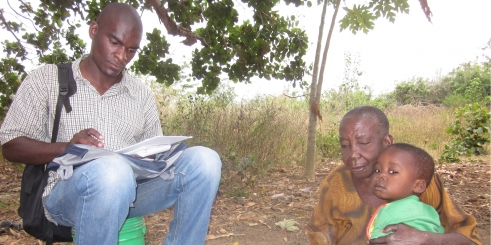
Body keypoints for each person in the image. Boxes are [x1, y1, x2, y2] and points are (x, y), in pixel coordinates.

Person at [0, 3, 221, 245]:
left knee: (205, 162)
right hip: (65, 196)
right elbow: (11, 146)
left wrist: (152, 159)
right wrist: (68, 148)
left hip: (133, 193)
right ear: (94, 30)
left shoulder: (140, 93)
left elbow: (156, 156)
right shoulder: (47, 80)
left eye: (131, 50)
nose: (121, 57)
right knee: (112, 172)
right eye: (114, 43)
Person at [306, 106, 481, 245]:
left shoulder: (417, 178)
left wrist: (428, 239)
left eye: (364, 143)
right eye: (345, 145)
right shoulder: (337, 181)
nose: (352, 155)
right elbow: (320, 234)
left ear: (387, 142)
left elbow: (467, 236)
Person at [366, 143, 444, 240]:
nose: (381, 176)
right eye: (377, 170)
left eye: (393, 172)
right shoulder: (429, 211)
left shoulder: (393, 213)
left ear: (418, 186)